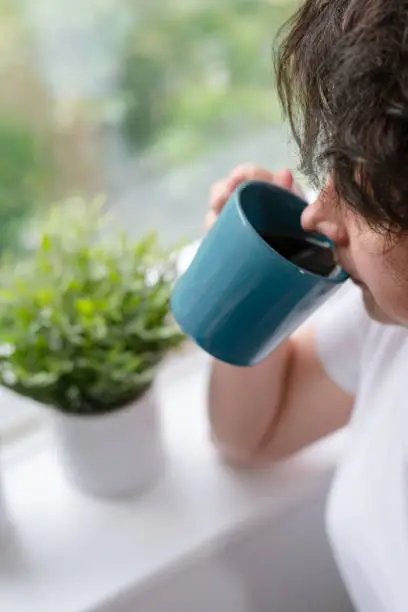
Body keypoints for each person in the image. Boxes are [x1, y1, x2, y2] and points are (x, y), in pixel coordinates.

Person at [205, 2, 408, 612]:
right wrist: (250, 281)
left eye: (356, 191)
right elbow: (252, 435)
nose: (316, 214)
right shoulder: (392, 319)